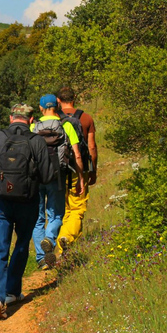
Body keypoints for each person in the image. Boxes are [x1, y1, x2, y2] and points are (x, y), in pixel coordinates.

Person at [0, 103, 53, 320]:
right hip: (28, 202)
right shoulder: (36, 141)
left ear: (11, 118)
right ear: (31, 120)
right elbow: (47, 176)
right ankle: (12, 292)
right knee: (21, 244)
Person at [31, 94, 85, 269]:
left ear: (40, 108)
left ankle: (42, 258)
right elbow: (77, 154)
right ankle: (49, 238)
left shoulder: (33, 127)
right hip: (57, 177)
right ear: (57, 107)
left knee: (37, 218)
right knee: (56, 215)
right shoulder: (66, 125)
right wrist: (80, 179)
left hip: (36, 178)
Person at [56, 87, 97, 255]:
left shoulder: (55, 119)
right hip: (79, 169)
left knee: (65, 210)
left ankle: (65, 251)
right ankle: (65, 238)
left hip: (57, 170)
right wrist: (92, 170)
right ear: (74, 99)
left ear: (59, 100)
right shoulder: (86, 118)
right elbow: (92, 146)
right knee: (78, 208)